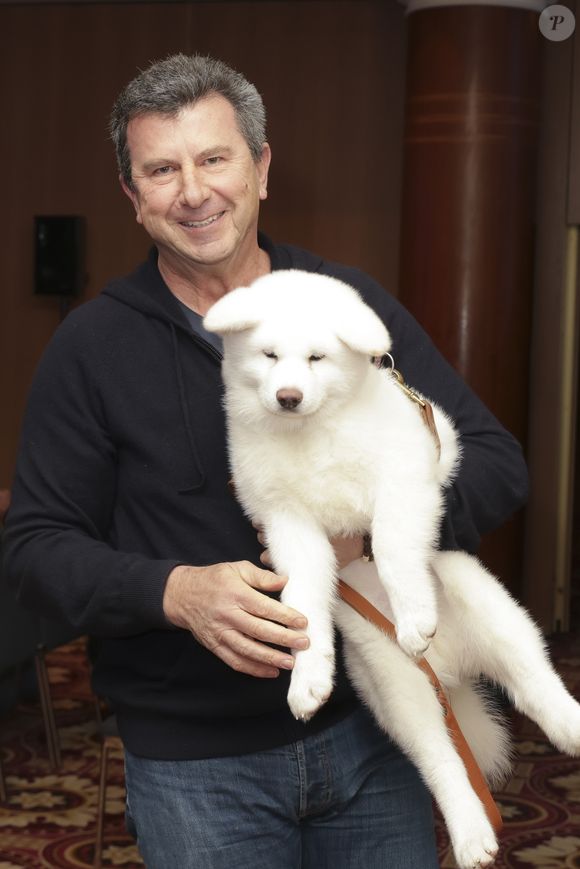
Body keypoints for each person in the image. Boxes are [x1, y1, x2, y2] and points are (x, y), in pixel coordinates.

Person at [3, 54, 528, 867]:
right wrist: (174, 591)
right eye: (161, 170)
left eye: (215, 158)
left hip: (371, 734)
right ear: (133, 197)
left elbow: (496, 462)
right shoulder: (91, 348)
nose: (193, 190)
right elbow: (34, 546)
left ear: (262, 168)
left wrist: (378, 531)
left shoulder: (343, 305)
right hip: (195, 765)